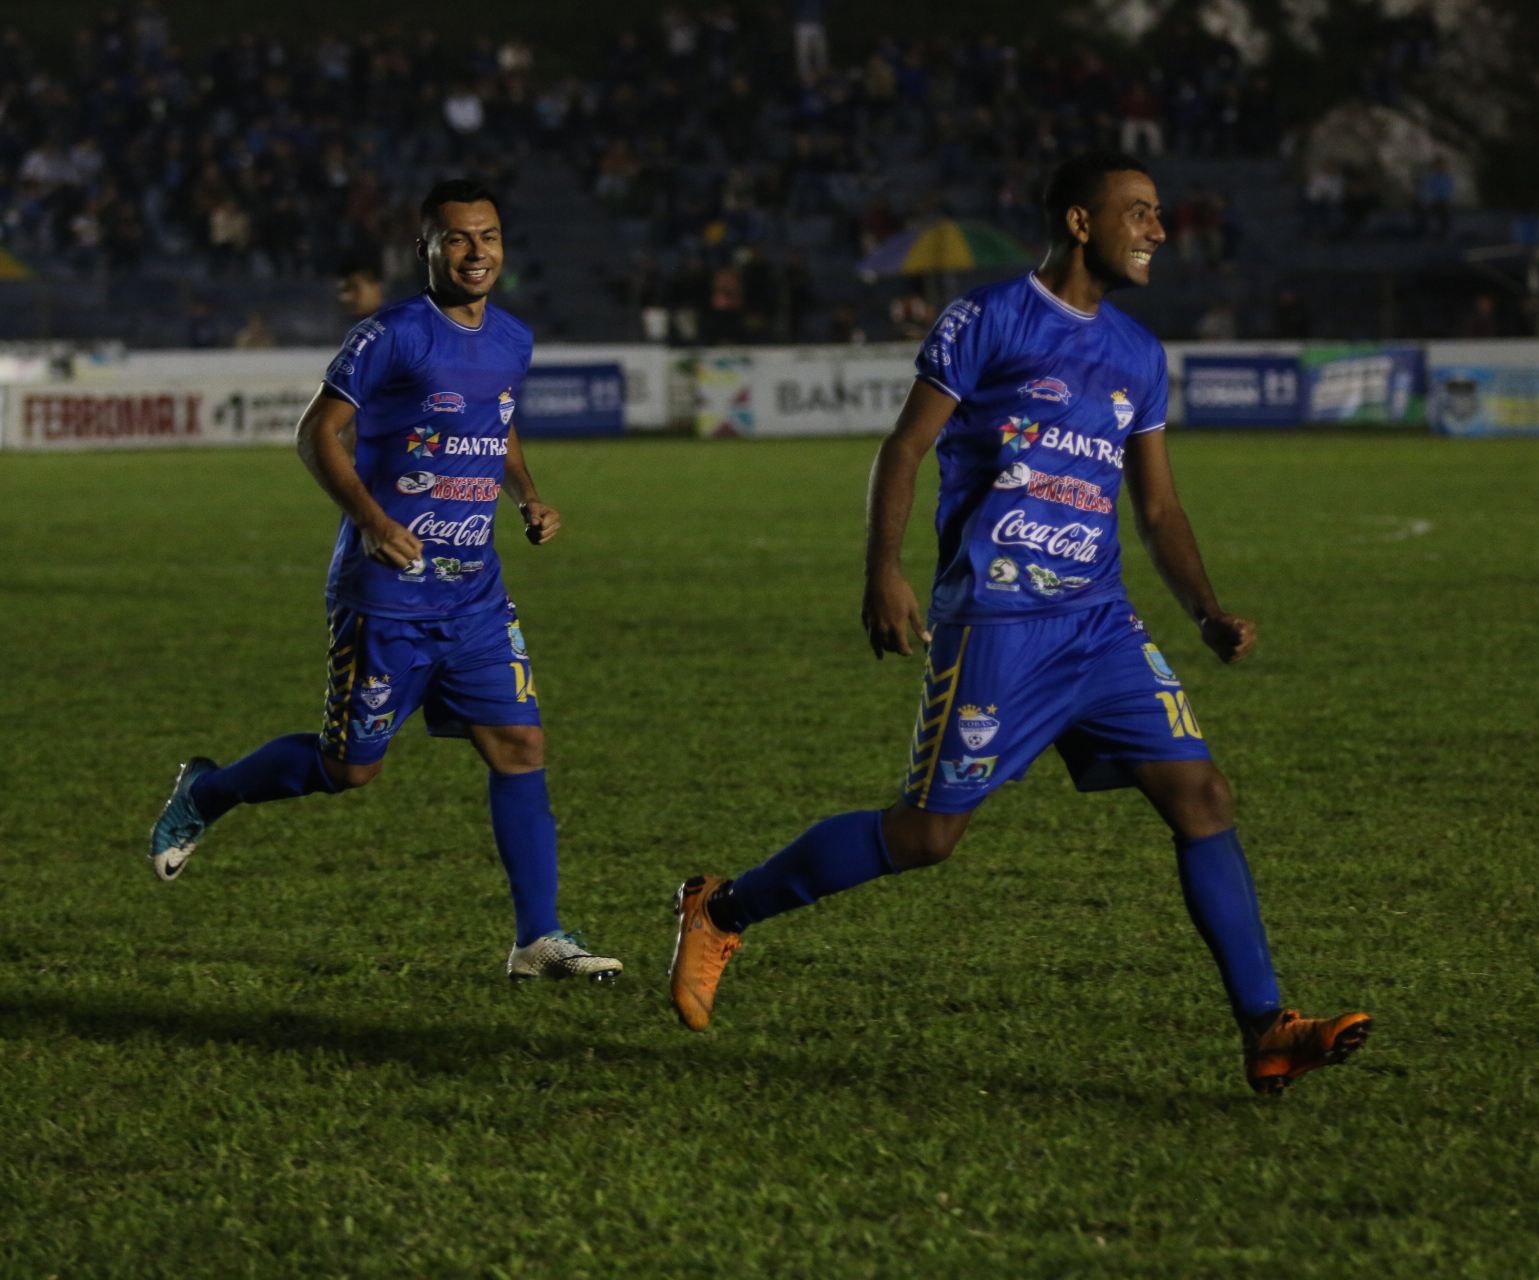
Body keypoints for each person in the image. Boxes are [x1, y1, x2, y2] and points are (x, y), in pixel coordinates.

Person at [667, 152, 1370, 1096]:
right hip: (998, 623)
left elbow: (1158, 509)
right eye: (1141, 213)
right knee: (925, 839)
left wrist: (1205, 611)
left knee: (1202, 796)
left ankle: (1266, 1027)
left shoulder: (1139, 354)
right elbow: (904, 446)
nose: (1160, 230)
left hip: (1100, 625)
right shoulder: (988, 319)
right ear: (1083, 223)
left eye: (1161, 215)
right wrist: (884, 569)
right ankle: (722, 908)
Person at [147, 179, 622, 984]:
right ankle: (209, 791)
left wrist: (530, 496)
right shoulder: (392, 334)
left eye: (490, 236)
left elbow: (496, 428)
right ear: (428, 249)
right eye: (459, 239)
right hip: (387, 597)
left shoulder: (514, 338)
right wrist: (370, 518)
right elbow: (316, 432)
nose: (477, 253)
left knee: (519, 745)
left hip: (474, 593)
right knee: (349, 769)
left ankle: (537, 939)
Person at [335, 249, 386, 322]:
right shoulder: (338, 325)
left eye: (354, 288)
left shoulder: (400, 323)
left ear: (376, 286)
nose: (345, 298)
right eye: (342, 291)